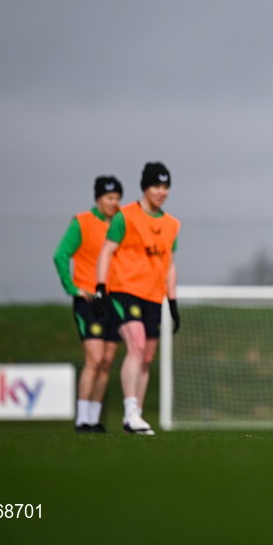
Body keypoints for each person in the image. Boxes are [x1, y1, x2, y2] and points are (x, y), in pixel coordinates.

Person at [92, 162, 181, 435]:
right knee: (137, 344)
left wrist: (173, 301)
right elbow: (107, 251)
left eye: (165, 187)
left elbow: (170, 263)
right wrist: (100, 288)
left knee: (147, 356)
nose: (161, 192)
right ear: (145, 187)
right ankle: (130, 411)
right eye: (156, 186)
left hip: (153, 295)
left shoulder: (171, 224)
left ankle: (136, 416)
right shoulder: (125, 217)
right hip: (124, 290)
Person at [53, 175, 123, 433]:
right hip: (89, 300)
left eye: (117, 198)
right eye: (109, 198)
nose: (113, 203)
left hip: (114, 300)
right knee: (94, 359)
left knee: (106, 361)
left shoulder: (121, 224)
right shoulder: (82, 223)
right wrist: (72, 287)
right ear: (98, 198)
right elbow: (60, 254)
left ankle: (94, 419)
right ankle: (81, 418)